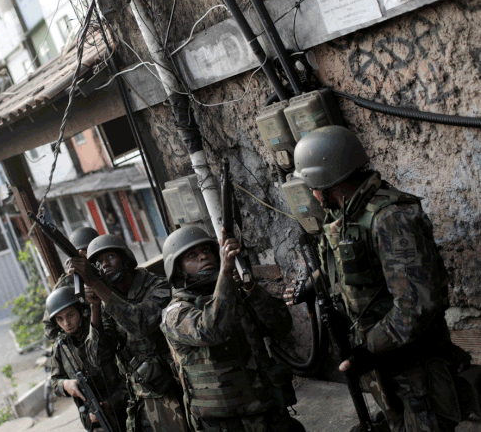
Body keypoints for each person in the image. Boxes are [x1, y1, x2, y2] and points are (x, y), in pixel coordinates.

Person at [283, 125, 470, 432]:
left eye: (310, 185)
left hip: (414, 363)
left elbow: (416, 305)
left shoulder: (391, 218)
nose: (312, 195)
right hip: (381, 361)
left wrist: (369, 350)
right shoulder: (343, 217)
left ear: (327, 181)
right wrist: (315, 283)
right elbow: (348, 269)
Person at [160, 226, 304, 432]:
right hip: (226, 424)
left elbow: (281, 326)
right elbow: (211, 330)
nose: (203, 257)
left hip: (269, 412)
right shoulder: (175, 313)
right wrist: (226, 274)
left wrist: (250, 288)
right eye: (192, 255)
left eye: (207, 251)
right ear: (177, 268)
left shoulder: (231, 294)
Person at [68, 234, 189, 432]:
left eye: (111, 258)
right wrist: (95, 307)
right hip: (139, 398)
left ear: (126, 258)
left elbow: (139, 324)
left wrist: (98, 286)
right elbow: (98, 357)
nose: (105, 265)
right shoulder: (107, 298)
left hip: (173, 391)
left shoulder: (158, 286)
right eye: (98, 263)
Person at [46, 285, 128, 431]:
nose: (66, 323)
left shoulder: (98, 327)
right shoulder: (61, 347)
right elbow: (54, 381)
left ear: (79, 310)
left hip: (125, 407)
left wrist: (111, 404)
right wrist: (66, 385)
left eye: (70, 315)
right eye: (60, 319)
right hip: (95, 421)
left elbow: (125, 370)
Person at [43, 227, 100, 341]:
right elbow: (49, 327)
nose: (85, 258)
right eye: (81, 254)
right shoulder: (66, 283)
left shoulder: (109, 272)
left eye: (88, 253)